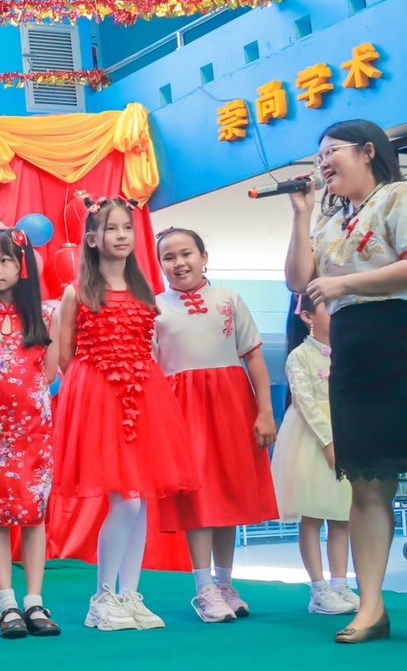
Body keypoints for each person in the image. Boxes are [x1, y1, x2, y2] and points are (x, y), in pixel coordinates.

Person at [285, 118, 407, 643]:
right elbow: (298, 280)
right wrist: (302, 213)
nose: (322, 162)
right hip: (353, 348)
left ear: (367, 151)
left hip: (399, 332)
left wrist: (343, 283)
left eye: (331, 150)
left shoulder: (399, 196)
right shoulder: (330, 219)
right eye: (319, 155)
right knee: (367, 484)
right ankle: (371, 606)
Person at [51, 198, 195, 632]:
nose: (121, 236)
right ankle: (102, 597)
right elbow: (65, 356)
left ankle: (129, 594)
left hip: (144, 396)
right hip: (100, 398)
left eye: (127, 228)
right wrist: (98, 387)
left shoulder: (144, 291)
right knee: (127, 500)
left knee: (142, 499)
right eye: (111, 228)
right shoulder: (77, 292)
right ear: (92, 238)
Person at [154, 228, 278, 623]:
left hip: (231, 405)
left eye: (186, 253)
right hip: (182, 409)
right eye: (169, 257)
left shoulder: (229, 299)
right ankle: (204, 587)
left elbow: (253, 357)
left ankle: (225, 583)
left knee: (228, 492)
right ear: (160, 266)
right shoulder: (154, 309)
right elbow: (151, 370)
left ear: (204, 257)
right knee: (198, 495)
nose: (179, 263)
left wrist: (265, 411)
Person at [0, 230, 61, 638]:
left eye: (5, 260)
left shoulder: (45, 316)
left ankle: (35, 601)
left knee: (34, 514)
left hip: (33, 430)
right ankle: (6, 603)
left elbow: (49, 374)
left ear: (23, 266)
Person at [272, 296, 357, 614]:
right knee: (312, 517)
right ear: (308, 316)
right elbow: (305, 402)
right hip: (311, 440)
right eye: (330, 308)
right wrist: (328, 442)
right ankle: (319, 589)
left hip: (346, 435)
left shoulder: (347, 353)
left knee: (342, 516)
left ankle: (340, 584)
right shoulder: (300, 356)